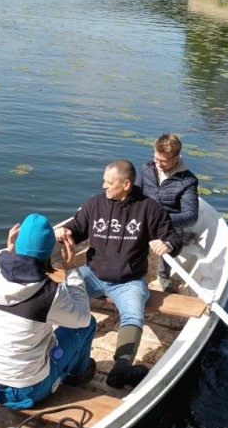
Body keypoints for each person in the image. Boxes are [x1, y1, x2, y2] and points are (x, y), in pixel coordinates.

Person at [54, 160, 182, 389]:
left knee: (133, 314)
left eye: (108, 182)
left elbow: (172, 236)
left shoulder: (149, 208)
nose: (103, 186)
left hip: (128, 281)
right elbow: (77, 227)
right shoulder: (93, 205)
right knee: (58, 296)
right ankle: (48, 345)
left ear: (126, 184)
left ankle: (122, 367)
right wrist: (63, 231)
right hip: (92, 274)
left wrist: (167, 245)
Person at [0, 213, 98, 410]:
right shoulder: (50, 294)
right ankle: (78, 375)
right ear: (47, 253)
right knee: (87, 326)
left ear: (16, 241)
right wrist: (71, 270)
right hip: (26, 390)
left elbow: (1, 268)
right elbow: (82, 318)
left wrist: (8, 251)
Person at [136, 133, 199, 292]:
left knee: (169, 238)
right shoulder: (146, 169)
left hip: (168, 223)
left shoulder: (188, 181)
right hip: (143, 218)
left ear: (176, 158)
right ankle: (133, 271)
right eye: (155, 158)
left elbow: (191, 216)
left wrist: (161, 220)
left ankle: (163, 277)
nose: (157, 163)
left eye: (163, 161)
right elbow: (134, 195)